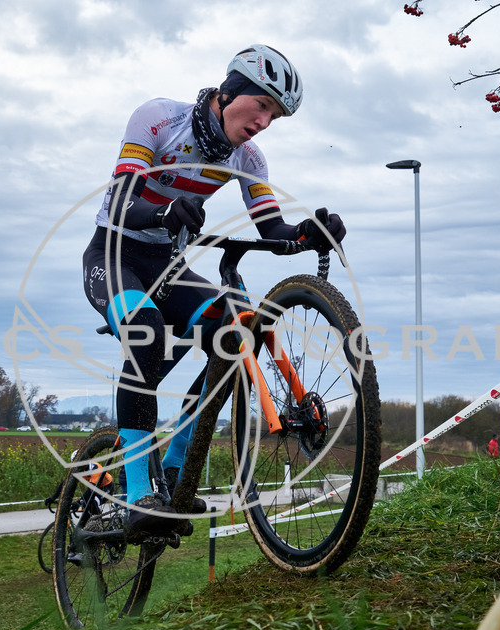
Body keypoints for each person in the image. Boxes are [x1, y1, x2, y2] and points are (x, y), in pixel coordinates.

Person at [82, 45, 346, 543]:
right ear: (229, 92)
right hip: (113, 257)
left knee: (232, 335)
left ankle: (177, 468)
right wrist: (164, 212)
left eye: (274, 116)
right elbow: (117, 203)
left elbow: (272, 228)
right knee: (145, 334)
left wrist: (308, 233)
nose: (264, 122)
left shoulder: (248, 158)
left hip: (168, 267)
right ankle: (138, 496)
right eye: (261, 105)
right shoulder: (159, 120)